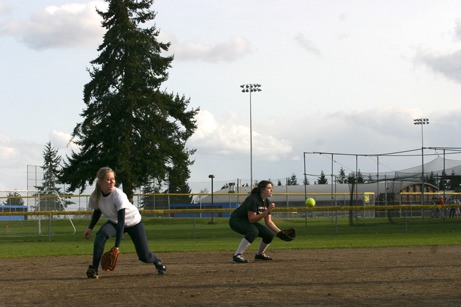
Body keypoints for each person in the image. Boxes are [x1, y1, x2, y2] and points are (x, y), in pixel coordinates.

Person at [83, 167, 166, 279]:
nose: (112, 182)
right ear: (101, 181)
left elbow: (122, 220)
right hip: (114, 222)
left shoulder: (118, 195)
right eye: (108, 179)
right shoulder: (95, 196)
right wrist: (90, 228)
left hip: (133, 222)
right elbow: (97, 211)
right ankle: (94, 268)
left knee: (144, 256)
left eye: (113, 179)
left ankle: (158, 262)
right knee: (100, 235)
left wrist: (116, 247)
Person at [229, 180, 283, 263]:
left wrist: (280, 233)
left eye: (271, 188)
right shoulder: (253, 199)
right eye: (268, 188)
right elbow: (252, 219)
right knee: (253, 231)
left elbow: (268, 222)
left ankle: (259, 255)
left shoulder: (267, 202)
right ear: (262, 189)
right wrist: (267, 211)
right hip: (236, 220)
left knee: (269, 234)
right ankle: (237, 255)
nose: (271, 190)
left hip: (247, 221)